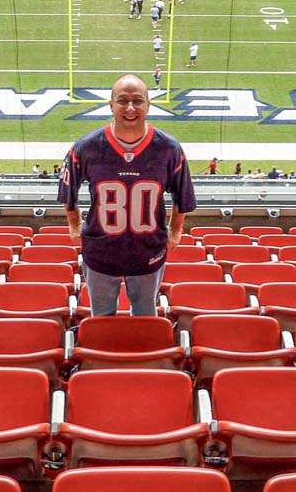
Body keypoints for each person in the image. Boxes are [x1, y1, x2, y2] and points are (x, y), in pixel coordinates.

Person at [58, 73, 196, 316]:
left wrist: (175, 231)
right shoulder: (86, 147)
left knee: (145, 315)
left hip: (148, 248)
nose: (130, 108)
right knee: (101, 316)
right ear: (111, 104)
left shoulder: (168, 148)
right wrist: (73, 224)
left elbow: (182, 196)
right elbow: (67, 190)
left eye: (138, 100)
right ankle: (103, 354)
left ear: (148, 105)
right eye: (122, 100)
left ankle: (141, 354)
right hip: (100, 248)